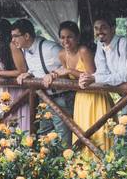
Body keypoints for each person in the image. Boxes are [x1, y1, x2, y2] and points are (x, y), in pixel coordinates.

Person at [48, 21, 112, 152]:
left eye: (70, 37)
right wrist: (53, 75)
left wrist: (70, 71)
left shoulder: (83, 51)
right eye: (62, 37)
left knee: (98, 133)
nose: (66, 41)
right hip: (81, 98)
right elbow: (65, 77)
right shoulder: (62, 54)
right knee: (83, 133)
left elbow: (93, 77)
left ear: (77, 38)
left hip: (95, 96)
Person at [12, 19, 72, 148]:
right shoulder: (25, 50)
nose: (13, 40)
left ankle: (68, 166)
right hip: (44, 100)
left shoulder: (50, 48)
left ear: (27, 36)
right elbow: (37, 67)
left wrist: (54, 74)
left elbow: (70, 65)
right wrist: (29, 73)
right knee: (44, 136)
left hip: (61, 98)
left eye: (16, 36)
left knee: (63, 137)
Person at [79, 16, 127, 90]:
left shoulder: (124, 43)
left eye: (103, 28)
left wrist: (95, 78)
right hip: (122, 91)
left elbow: (124, 76)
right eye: (96, 28)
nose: (99, 31)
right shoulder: (100, 44)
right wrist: (86, 78)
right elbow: (102, 71)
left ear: (113, 29)